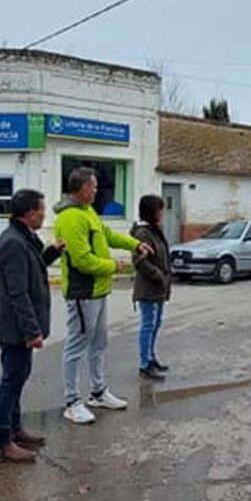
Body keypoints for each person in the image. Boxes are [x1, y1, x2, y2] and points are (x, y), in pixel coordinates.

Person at [55, 167, 151, 424]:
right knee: (77, 345)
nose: (97, 191)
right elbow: (82, 260)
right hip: (82, 292)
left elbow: (107, 235)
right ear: (83, 188)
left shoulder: (88, 213)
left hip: (98, 291)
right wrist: (114, 267)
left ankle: (98, 392)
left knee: (98, 344)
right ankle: (72, 401)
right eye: (94, 187)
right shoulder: (70, 217)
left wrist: (134, 244)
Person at [0, 189, 64, 462]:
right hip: (15, 328)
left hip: (20, 327)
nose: (44, 215)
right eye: (42, 210)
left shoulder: (25, 237)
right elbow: (16, 292)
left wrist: (52, 253)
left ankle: (15, 430)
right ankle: (1, 441)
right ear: (30, 213)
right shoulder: (13, 242)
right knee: (11, 382)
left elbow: (33, 269)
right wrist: (31, 331)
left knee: (17, 380)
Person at [130, 195, 172, 381]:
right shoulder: (143, 234)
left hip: (159, 287)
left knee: (156, 323)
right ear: (151, 211)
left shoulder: (156, 230)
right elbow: (139, 262)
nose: (162, 213)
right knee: (148, 324)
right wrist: (158, 275)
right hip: (148, 287)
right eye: (159, 209)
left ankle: (151, 356)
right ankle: (144, 364)